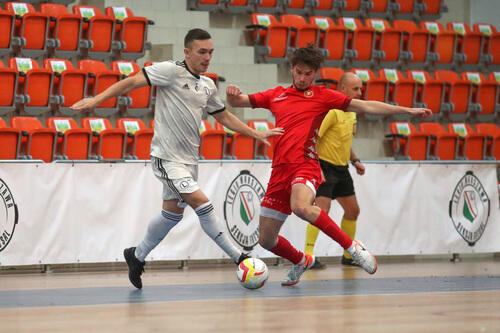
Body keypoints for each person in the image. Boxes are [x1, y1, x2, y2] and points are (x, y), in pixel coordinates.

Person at [71, 28, 283, 289]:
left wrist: (253, 132)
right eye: (201, 52)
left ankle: (136, 256)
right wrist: (97, 99)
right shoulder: (170, 70)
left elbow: (224, 116)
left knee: (171, 215)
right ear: (187, 52)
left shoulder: (207, 85)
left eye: (210, 52)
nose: (207, 57)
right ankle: (240, 258)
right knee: (202, 203)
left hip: (189, 161)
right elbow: (131, 82)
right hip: (166, 158)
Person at [226, 46, 432, 286]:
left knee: (301, 207)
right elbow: (238, 101)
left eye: (308, 74)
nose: (303, 78)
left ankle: (352, 248)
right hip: (279, 172)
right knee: (266, 240)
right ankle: (301, 260)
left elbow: (365, 106)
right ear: (292, 69)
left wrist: (407, 111)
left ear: (315, 73)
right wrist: (232, 95)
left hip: (305, 165)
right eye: (299, 72)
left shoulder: (323, 96)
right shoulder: (276, 94)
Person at [305, 72, 365, 269]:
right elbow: (313, 138)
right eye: (355, 89)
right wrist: (316, 167)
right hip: (324, 166)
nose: (360, 92)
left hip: (342, 168)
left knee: (352, 210)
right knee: (321, 211)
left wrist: (355, 160)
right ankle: (308, 255)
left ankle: (349, 255)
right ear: (343, 89)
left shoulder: (352, 112)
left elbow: (344, 143)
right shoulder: (332, 112)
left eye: (360, 88)